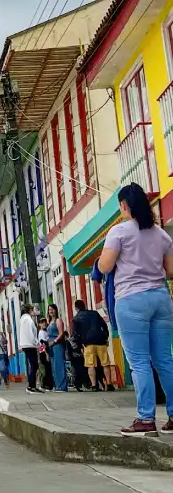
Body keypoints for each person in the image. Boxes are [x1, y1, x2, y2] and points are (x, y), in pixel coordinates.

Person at [97, 183, 173, 436]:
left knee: (139, 362)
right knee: (164, 360)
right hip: (161, 298)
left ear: (124, 205)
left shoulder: (119, 232)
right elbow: (170, 271)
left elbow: (105, 266)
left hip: (131, 299)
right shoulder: (162, 235)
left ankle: (146, 418)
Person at [71, 299, 110, 391]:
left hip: (88, 344)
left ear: (76, 308)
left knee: (90, 365)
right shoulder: (95, 314)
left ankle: (94, 385)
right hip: (100, 341)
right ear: (84, 305)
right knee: (105, 364)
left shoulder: (76, 318)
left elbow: (75, 334)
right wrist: (105, 337)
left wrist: (80, 346)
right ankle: (109, 384)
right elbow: (104, 325)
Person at [46, 303, 68, 392]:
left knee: (59, 365)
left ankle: (62, 386)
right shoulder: (49, 322)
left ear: (56, 310)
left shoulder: (58, 321)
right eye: (49, 310)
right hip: (51, 346)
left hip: (57, 345)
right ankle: (57, 385)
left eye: (52, 309)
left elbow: (61, 333)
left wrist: (54, 341)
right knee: (54, 366)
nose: (51, 311)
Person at [19, 304, 40, 393]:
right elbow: (30, 333)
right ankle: (31, 386)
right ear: (29, 310)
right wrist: (36, 343)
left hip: (26, 345)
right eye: (32, 309)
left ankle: (32, 385)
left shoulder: (24, 319)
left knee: (33, 365)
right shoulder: (27, 319)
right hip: (30, 345)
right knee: (34, 365)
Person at [37, 317, 54, 391]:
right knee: (46, 369)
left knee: (47, 368)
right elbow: (43, 344)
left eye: (45, 322)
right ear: (39, 324)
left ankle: (46, 384)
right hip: (44, 352)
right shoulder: (41, 333)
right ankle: (46, 385)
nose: (44, 324)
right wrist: (46, 353)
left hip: (45, 351)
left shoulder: (46, 331)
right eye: (42, 322)